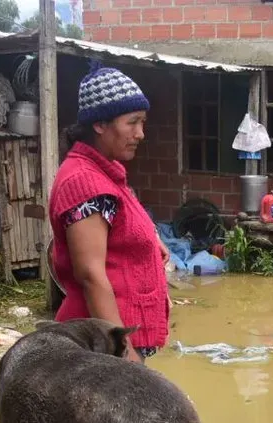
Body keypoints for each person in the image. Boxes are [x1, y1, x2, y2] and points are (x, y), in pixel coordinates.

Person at [49, 65, 170, 363]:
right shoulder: (85, 183)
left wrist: (151, 240)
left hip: (112, 340)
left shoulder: (106, 174)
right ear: (100, 124)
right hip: (101, 350)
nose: (140, 134)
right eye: (132, 122)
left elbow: (120, 227)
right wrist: (124, 354)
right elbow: (91, 275)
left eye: (142, 122)